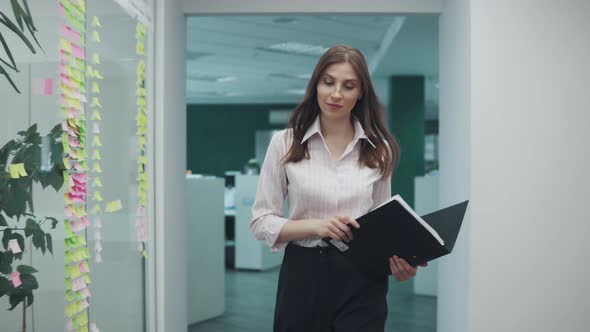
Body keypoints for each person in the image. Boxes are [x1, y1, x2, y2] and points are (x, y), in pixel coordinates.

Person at [250, 44, 427, 332]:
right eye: (328, 82)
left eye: (348, 86)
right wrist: (317, 226)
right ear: (316, 84)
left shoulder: (378, 149)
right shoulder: (285, 143)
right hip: (304, 275)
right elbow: (261, 222)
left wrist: (400, 261)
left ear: (360, 94)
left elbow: (382, 224)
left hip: (363, 277)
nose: (335, 94)